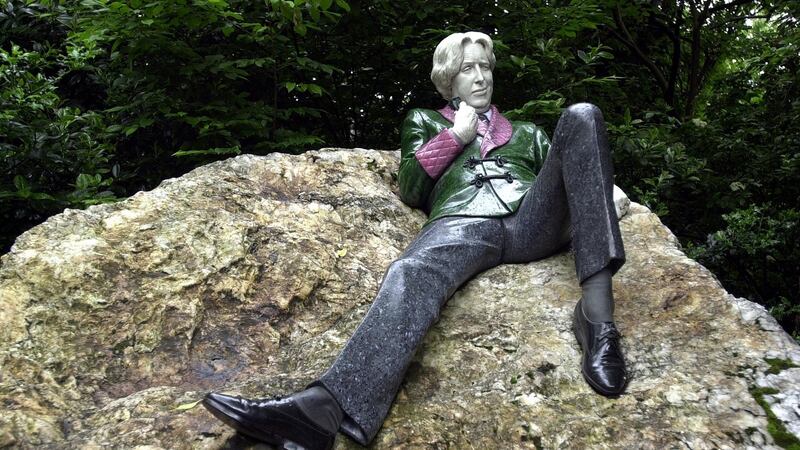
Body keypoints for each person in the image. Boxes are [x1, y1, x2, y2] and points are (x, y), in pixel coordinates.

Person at [202, 31, 628, 450]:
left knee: (583, 114)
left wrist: (599, 187)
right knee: (410, 270)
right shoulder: (424, 121)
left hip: (533, 221)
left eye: (484, 67)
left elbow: (570, 169)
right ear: (449, 81)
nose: (480, 77)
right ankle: (321, 412)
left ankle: (597, 320)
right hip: (464, 220)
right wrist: (455, 137)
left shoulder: (529, 133)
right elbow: (410, 187)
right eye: (467, 69)